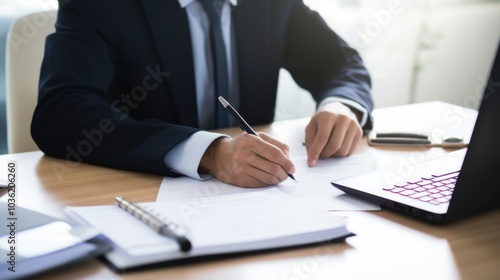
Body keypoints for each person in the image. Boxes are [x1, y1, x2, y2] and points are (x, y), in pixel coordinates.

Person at [31, 0, 374, 188]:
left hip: (256, 202)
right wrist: (209, 152)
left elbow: (340, 65)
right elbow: (62, 112)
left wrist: (341, 106)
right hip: (140, 198)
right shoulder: (101, 6)